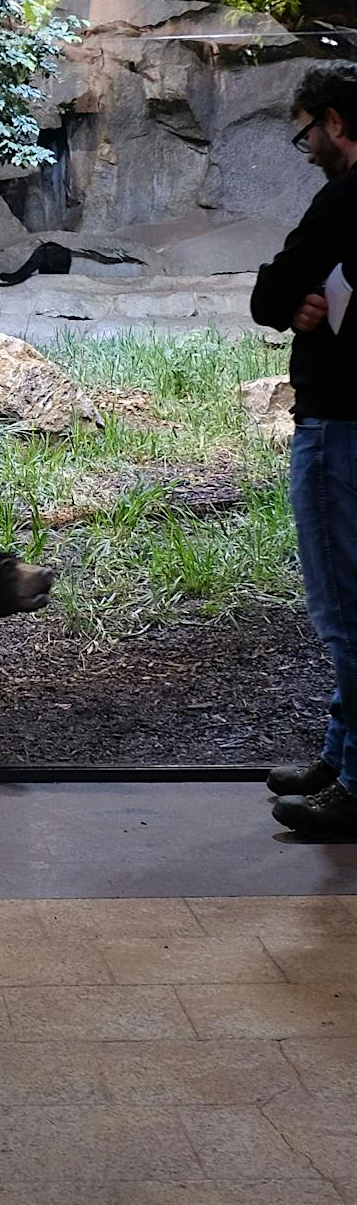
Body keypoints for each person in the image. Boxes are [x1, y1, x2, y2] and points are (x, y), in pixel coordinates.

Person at [252, 63, 357, 840]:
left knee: (344, 611)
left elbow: (270, 296)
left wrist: (298, 299)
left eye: (306, 132)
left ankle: (355, 782)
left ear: (334, 121)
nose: (308, 146)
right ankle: (339, 752)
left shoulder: (346, 198)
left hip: (339, 424)